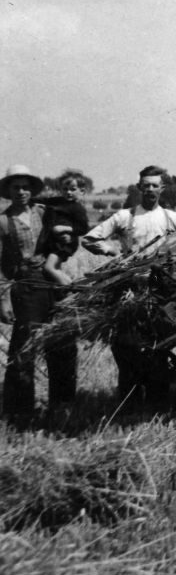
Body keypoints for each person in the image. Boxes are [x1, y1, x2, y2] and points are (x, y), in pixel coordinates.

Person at [0, 165, 74, 424]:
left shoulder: (45, 213)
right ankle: (20, 413)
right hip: (25, 287)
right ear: (8, 190)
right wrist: (3, 299)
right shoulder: (2, 221)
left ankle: (61, 407)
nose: (21, 191)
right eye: (15, 187)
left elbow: (68, 235)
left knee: (62, 342)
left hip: (52, 283)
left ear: (32, 189)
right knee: (24, 349)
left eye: (25, 186)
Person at [82, 166, 176, 257]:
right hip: (131, 275)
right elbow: (89, 240)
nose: (150, 189)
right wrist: (112, 251)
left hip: (164, 275)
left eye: (155, 186)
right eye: (146, 185)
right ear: (139, 187)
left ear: (162, 188)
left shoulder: (173, 218)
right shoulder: (124, 216)